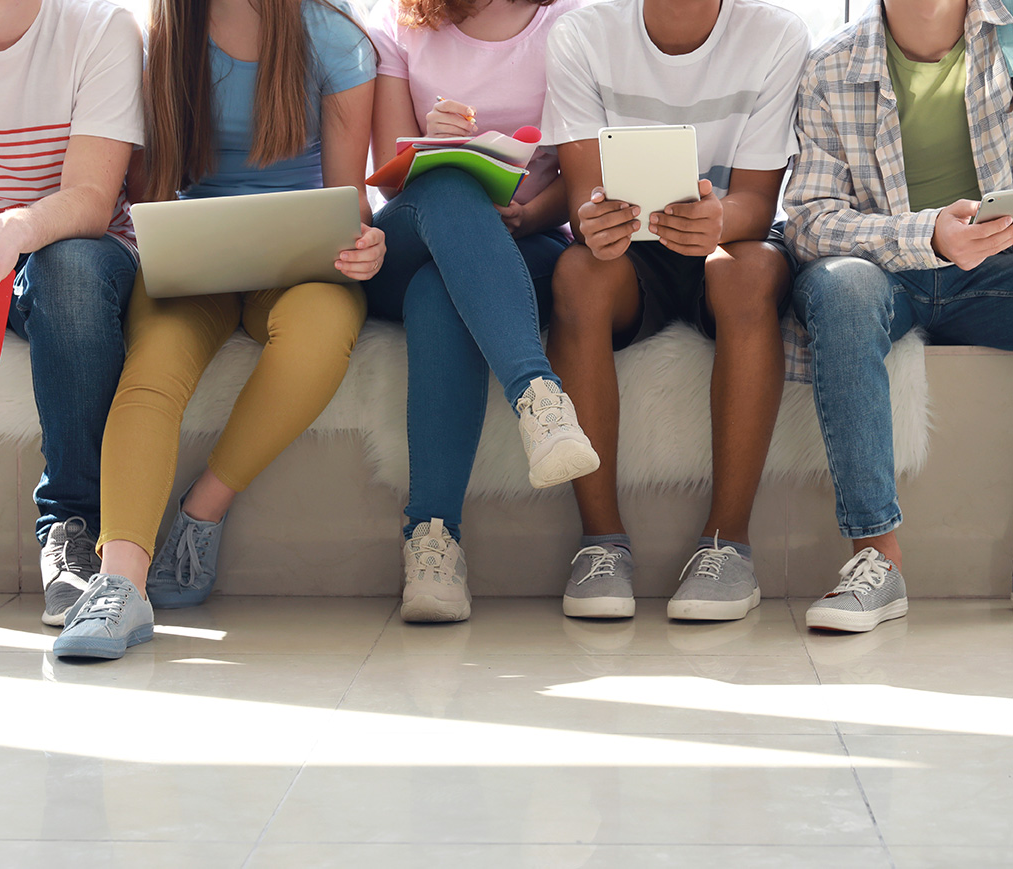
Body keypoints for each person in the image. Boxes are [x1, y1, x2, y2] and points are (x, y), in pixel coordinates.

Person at [53, 0, 384, 659]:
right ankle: (121, 586)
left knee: (319, 333)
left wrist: (364, 245)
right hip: (192, 260)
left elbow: (350, 201)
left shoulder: (334, 37)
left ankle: (203, 508)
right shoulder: (156, 40)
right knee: (149, 374)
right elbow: (148, 194)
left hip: (301, 263)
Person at [540, 0, 809, 620]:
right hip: (629, 255)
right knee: (576, 274)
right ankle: (601, 543)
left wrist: (717, 220)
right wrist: (595, 223)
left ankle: (728, 546)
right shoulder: (582, 33)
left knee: (748, 277)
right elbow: (584, 195)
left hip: (729, 238)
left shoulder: (775, 34)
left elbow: (758, 202)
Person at [365, 0, 598, 623]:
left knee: (442, 295)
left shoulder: (572, 22)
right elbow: (389, 182)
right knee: (450, 184)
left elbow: (579, 188)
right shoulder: (399, 27)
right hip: (416, 226)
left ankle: (432, 543)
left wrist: (529, 212)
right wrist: (436, 146)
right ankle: (536, 390)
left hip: (527, 238)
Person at [785, 0, 1013, 632]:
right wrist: (928, 237)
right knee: (842, 289)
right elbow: (808, 222)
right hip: (883, 271)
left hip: (996, 272)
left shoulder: (1007, 41)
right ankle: (876, 562)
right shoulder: (832, 66)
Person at [0, 0, 143, 626]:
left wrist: (11, 233)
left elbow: (92, 200)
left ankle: (73, 523)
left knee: (67, 271)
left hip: (71, 251)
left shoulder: (101, 27)